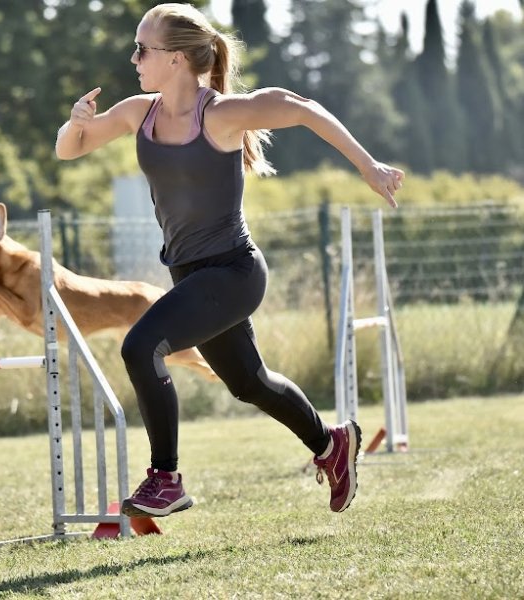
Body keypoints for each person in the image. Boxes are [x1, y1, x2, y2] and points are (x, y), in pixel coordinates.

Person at [55, 2, 404, 518]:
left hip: (233, 272)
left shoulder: (218, 114)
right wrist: (74, 123)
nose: (133, 60)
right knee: (248, 382)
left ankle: (165, 478)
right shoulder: (139, 112)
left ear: (174, 59)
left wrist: (369, 166)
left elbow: (300, 106)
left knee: (140, 346)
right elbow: (70, 150)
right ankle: (331, 445)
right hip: (190, 274)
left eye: (141, 49)